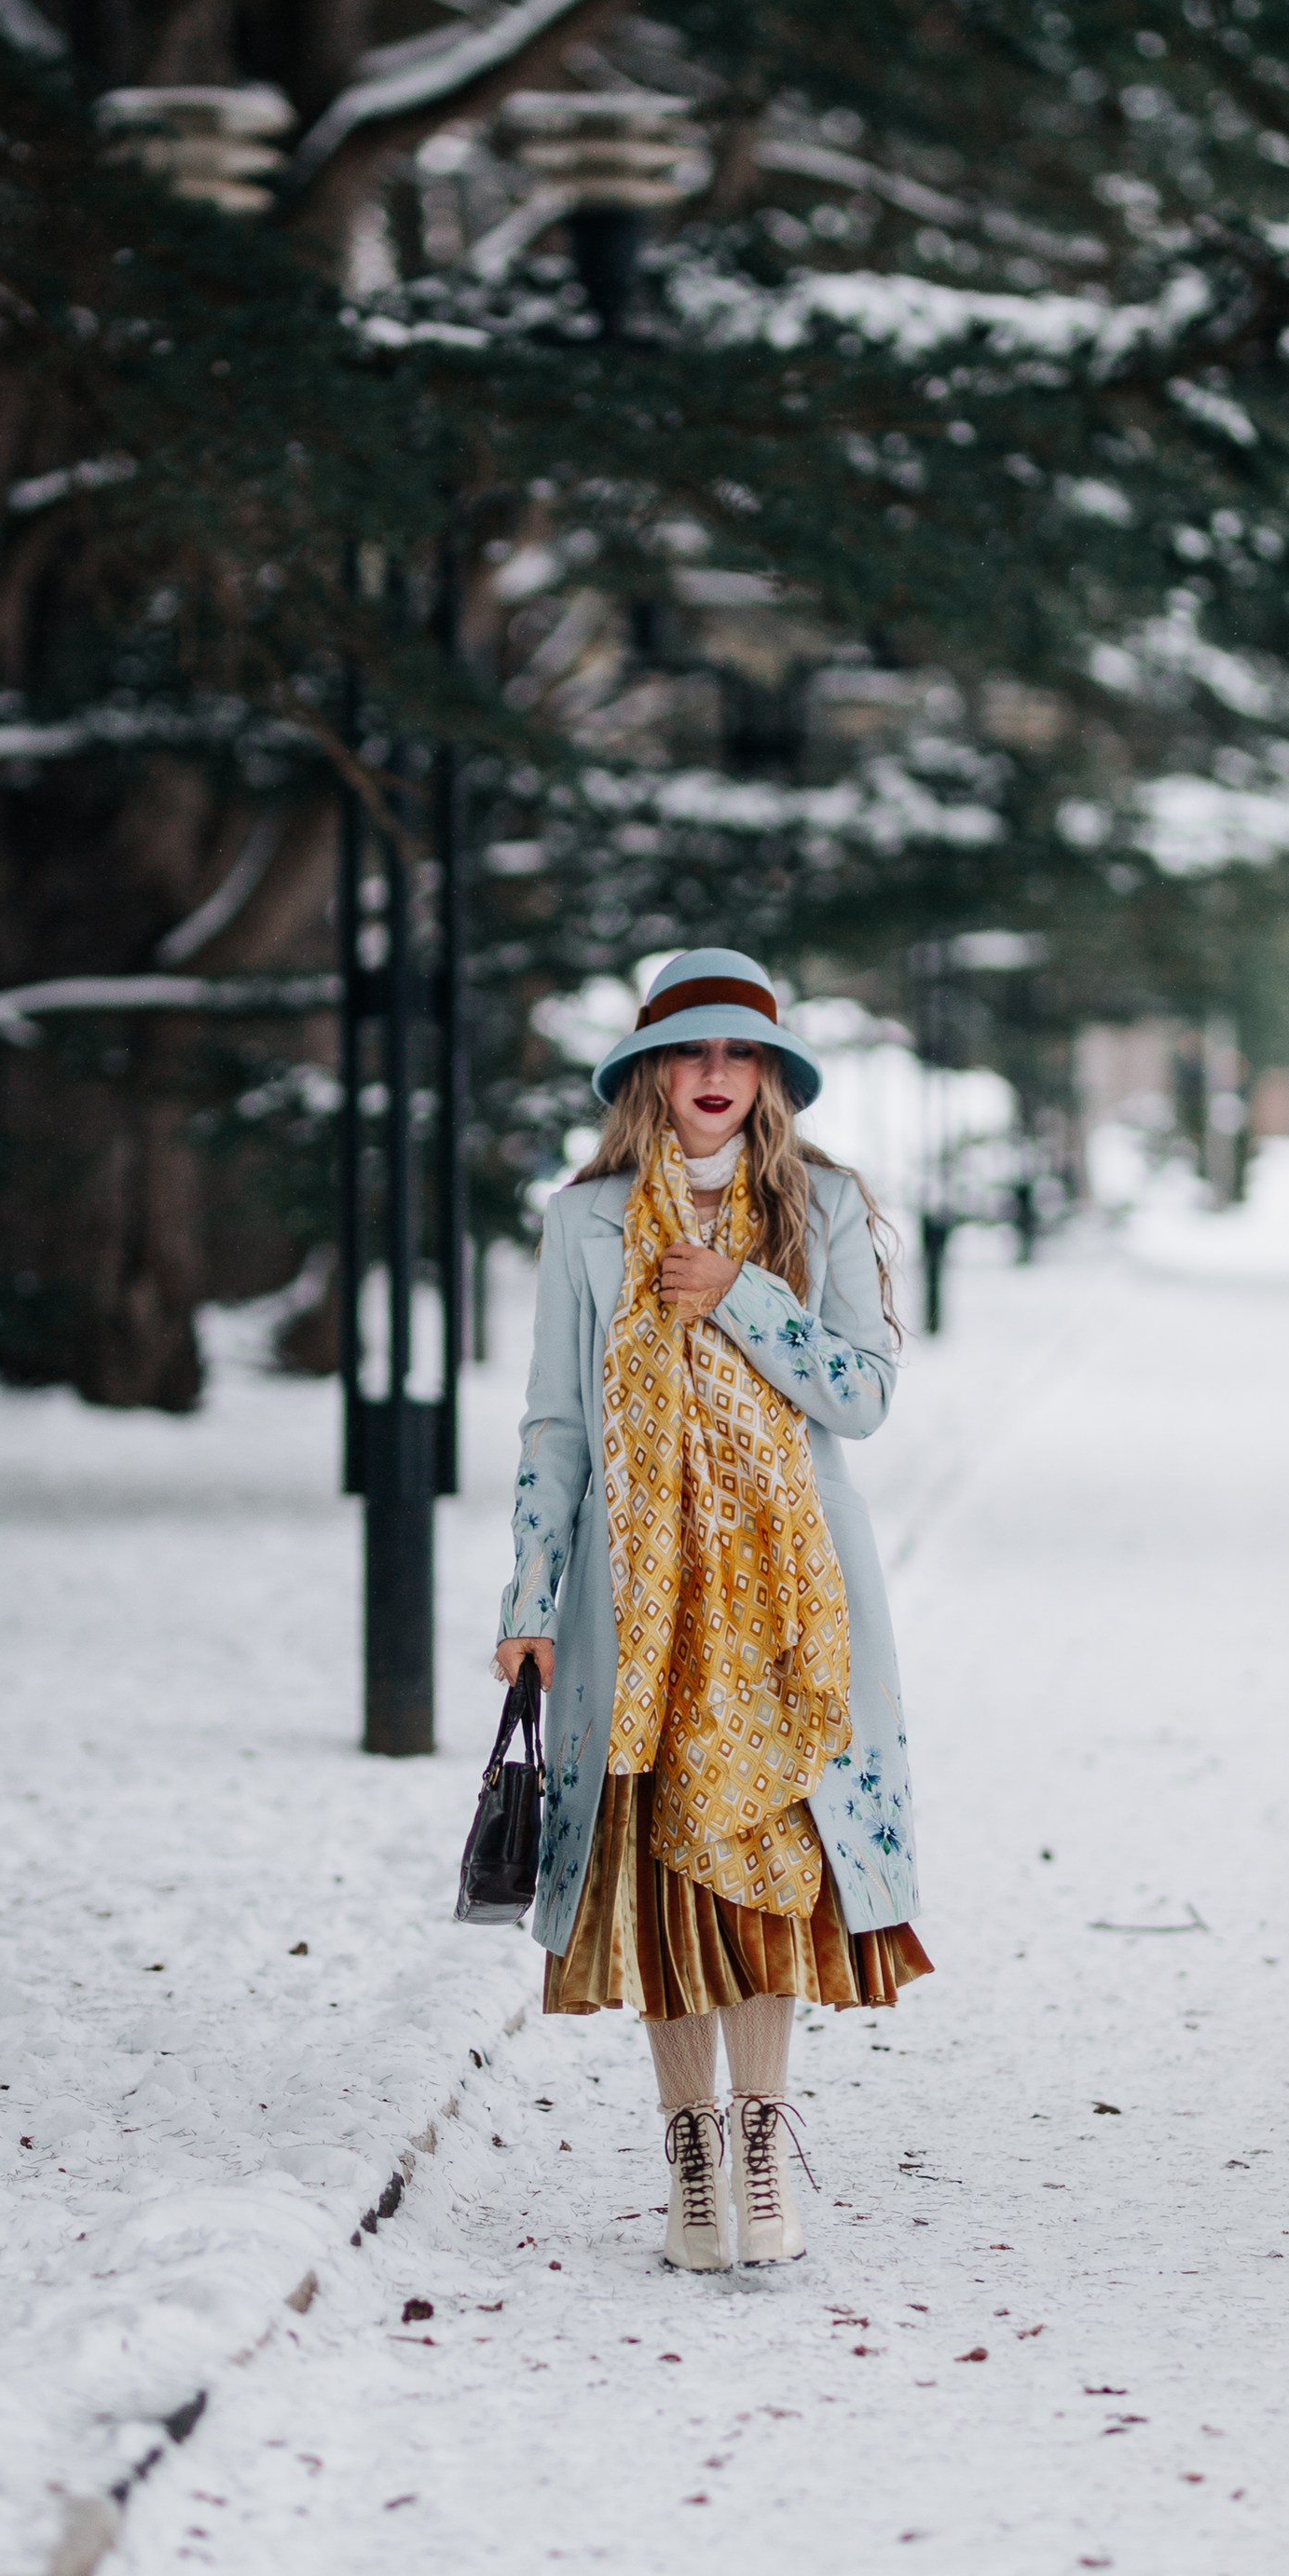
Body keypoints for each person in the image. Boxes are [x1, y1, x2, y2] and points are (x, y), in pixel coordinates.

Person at [494, 946, 927, 2275]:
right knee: (665, 1882)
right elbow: (558, 1423)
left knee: (770, 1874)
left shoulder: (822, 1205)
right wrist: (530, 1599)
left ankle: (760, 2140)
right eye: (693, 1051)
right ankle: (689, 2158)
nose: (717, 1074)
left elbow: (862, 1394)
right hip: (642, 1606)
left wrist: (739, 1295)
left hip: (788, 1611)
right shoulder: (583, 1222)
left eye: (742, 1053)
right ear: (650, 1073)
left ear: (772, 1075)